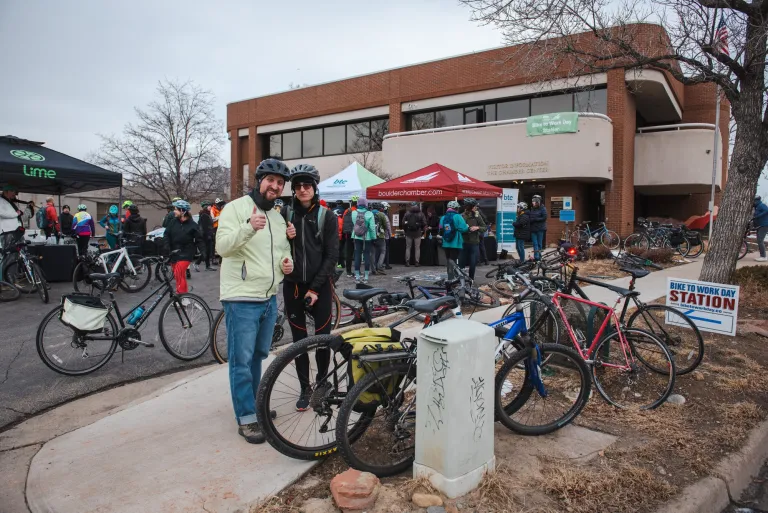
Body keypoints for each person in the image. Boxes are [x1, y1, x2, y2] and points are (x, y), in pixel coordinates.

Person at [217, 158, 293, 444]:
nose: (275, 186)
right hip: (241, 299)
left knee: (259, 356)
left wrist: (289, 264)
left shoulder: (277, 215)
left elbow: (283, 252)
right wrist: (248, 226)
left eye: (280, 183)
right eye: (270, 180)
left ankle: (256, 406)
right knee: (241, 359)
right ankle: (247, 417)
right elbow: (221, 247)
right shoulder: (234, 209)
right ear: (260, 180)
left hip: (268, 298)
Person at [281, 164, 339, 411]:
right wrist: (286, 239)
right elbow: (273, 249)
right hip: (293, 286)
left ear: (315, 188)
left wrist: (315, 288)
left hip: (320, 287)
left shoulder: (328, 216)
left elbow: (331, 255)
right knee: (299, 342)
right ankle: (305, 387)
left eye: (307, 185)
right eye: (298, 186)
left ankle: (322, 383)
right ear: (293, 190)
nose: (303, 190)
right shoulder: (283, 215)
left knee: (323, 339)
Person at [164, 200, 205, 294]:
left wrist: (203, 251)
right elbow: (166, 234)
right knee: (178, 275)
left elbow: (199, 239)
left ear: (182, 211)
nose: (174, 211)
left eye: (176, 209)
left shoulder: (193, 225)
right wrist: (166, 246)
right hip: (174, 253)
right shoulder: (173, 222)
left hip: (186, 253)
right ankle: (184, 295)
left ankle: (181, 295)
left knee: (179, 272)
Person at [438, 200, 469, 279]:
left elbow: (441, 228)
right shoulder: (458, 216)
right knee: (454, 260)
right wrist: (467, 227)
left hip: (445, 242)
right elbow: (464, 229)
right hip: (456, 243)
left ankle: (450, 277)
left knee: (449, 260)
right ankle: (454, 278)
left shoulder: (443, 217)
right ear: (456, 208)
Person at [459, 197, 486, 280]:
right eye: (474, 206)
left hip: (474, 243)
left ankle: (471, 280)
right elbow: (458, 229)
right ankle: (461, 280)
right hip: (463, 242)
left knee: (473, 263)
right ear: (469, 206)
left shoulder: (477, 216)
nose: (476, 207)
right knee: (461, 263)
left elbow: (484, 227)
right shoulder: (461, 216)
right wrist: (465, 229)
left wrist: (477, 227)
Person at [351, 197, 375, 283]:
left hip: (356, 237)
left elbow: (354, 224)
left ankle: (357, 277)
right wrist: (373, 237)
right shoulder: (369, 213)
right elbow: (372, 227)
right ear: (366, 204)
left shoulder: (353, 213)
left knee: (357, 255)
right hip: (367, 237)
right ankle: (366, 277)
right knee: (367, 255)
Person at [0, 185, 24, 249]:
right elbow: (1, 213)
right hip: (7, 231)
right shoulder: (1, 200)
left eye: (15, 191)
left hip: (15, 231)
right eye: (12, 191)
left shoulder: (10, 202)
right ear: (6, 192)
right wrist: (16, 214)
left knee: (16, 252)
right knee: (9, 252)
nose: (14, 193)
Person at [403, 202, 427, 266]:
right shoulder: (421, 213)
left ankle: (407, 262)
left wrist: (406, 231)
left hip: (408, 233)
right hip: (418, 233)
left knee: (408, 247)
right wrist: (423, 231)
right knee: (417, 248)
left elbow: (403, 223)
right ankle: (417, 262)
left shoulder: (407, 213)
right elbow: (424, 223)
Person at [196, 201, 217, 271]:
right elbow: (205, 227)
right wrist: (208, 235)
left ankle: (207, 266)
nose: (210, 207)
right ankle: (197, 263)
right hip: (205, 236)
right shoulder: (204, 215)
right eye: (209, 206)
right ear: (205, 207)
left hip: (209, 235)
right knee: (205, 252)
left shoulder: (207, 214)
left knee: (208, 252)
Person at [371, 202, 390, 275]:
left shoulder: (369, 214)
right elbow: (385, 225)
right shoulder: (382, 214)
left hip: (371, 236)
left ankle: (373, 269)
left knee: (372, 253)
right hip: (380, 236)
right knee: (383, 251)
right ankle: (379, 267)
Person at [341, 197, 358, 277]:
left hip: (347, 233)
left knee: (349, 253)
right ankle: (357, 271)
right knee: (357, 252)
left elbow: (342, 221)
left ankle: (348, 271)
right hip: (355, 233)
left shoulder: (346, 210)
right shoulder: (356, 211)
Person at [529, 195, 548, 260]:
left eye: (535, 202)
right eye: (533, 202)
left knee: (539, 244)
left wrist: (535, 219)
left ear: (538, 202)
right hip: (533, 229)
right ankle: (536, 257)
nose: (533, 203)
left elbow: (544, 217)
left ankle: (538, 256)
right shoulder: (532, 209)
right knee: (535, 243)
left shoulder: (543, 208)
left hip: (540, 229)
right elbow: (530, 217)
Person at [753, 195, 768, 262]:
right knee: (759, 240)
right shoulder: (757, 207)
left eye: (754, 201)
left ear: (757, 201)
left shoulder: (761, 205)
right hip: (760, 225)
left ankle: (763, 256)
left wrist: (758, 216)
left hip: (764, 225)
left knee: (760, 240)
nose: (753, 202)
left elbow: (767, 210)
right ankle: (762, 256)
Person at [381, 201, 393, 270]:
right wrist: (390, 235)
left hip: (379, 236)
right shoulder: (385, 216)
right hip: (386, 236)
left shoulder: (377, 214)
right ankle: (387, 264)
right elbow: (388, 226)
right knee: (386, 251)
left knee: (379, 251)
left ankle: (380, 263)